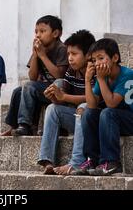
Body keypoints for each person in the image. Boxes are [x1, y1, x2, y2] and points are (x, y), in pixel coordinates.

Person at [37, 30, 96, 175]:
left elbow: (92, 99)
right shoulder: (71, 71)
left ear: (88, 55)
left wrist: (63, 97)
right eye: (69, 54)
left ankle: (76, 163)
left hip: (94, 121)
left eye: (74, 54)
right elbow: (62, 101)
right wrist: (54, 96)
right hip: (78, 119)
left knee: (83, 107)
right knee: (52, 109)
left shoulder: (94, 70)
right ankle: (47, 160)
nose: (70, 58)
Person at [78, 38, 133, 176]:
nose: (97, 63)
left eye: (101, 58)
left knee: (107, 112)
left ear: (115, 57)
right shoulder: (103, 76)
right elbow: (91, 105)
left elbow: (112, 103)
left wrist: (100, 79)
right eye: (94, 60)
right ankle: (91, 159)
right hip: (117, 120)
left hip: (129, 118)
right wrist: (87, 80)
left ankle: (111, 162)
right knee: (88, 113)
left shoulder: (127, 75)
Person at [13, 15, 68, 136]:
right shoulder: (39, 49)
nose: (38, 35)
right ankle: (22, 125)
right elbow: (33, 77)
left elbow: (60, 75)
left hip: (61, 89)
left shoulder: (62, 49)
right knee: (19, 91)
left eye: (42, 31)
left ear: (55, 33)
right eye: (36, 32)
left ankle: (25, 124)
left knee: (29, 87)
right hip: (45, 88)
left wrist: (43, 56)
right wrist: (35, 55)